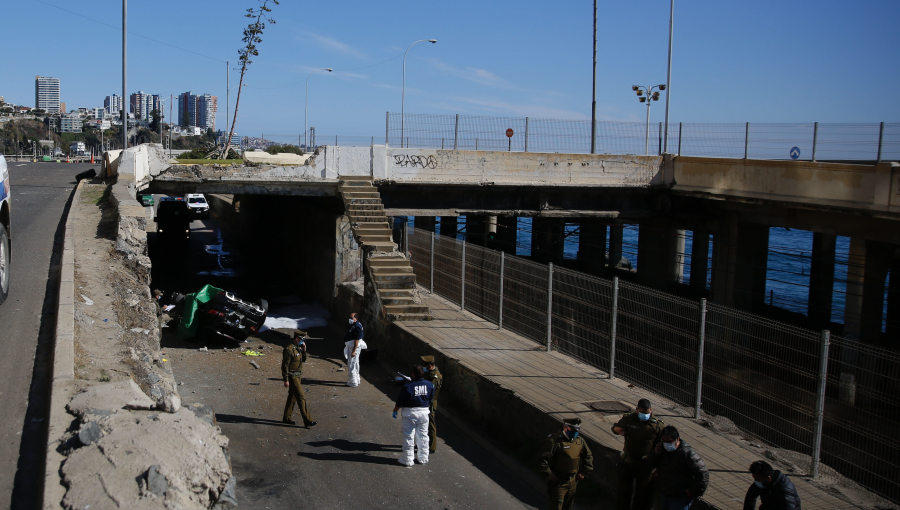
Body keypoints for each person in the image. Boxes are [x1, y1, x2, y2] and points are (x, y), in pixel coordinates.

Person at [612, 398, 665, 510]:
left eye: (647, 413)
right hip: (628, 462)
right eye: (642, 413)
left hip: (645, 465)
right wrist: (617, 429)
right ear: (637, 410)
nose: (644, 415)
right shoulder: (629, 419)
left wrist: (658, 468)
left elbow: (662, 448)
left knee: (642, 495)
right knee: (623, 493)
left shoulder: (657, 426)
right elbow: (616, 427)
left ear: (651, 410)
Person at [645, 425, 709, 510]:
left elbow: (703, 473)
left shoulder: (687, 452)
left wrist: (694, 491)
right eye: (664, 441)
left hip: (680, 497)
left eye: (669, 441)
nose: (666, 444)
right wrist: (655, 453)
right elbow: (649, 464)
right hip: (664, 493)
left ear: (677, 440)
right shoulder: (662, 449)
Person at [537, 417, 594, 510]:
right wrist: (548, 473)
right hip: (558, 480)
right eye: (573, 430)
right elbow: (541, 457)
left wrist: (584, 472)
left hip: (573, 480)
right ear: (565, 428)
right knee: (557, 505)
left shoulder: (580, 441)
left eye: (577, 430)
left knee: (568, 506)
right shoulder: (555, 441)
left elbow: (588, 456)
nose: (575, 432)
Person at [392, 365, 433, 467]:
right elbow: (430, 398)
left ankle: (407, 459)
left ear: (413, 374)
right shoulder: (429, 384)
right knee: (423, 436)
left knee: (409, 436)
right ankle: (423, 458)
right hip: (424, 413)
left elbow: (400, 400)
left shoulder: (408, 386)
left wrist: (395, 410)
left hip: (409, 414)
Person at [281, 330, 316, 428]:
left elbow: (303, 360)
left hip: (298, 375)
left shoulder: (298, 348)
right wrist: (286, 379)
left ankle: (286, 418)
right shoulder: (289, 349)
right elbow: (285, 365)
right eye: (301, 339)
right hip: (292, 376)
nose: (303, 341)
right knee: (301, 397)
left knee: (292, 397)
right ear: (297, 339)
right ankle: (308, 420)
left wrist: (304, 350)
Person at [421, 355, 443, 453]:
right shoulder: (430, 373)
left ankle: (432, 446)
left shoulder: (435, 377)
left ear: (430, 365)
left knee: (431, 424)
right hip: (427, 401)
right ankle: (426, 443)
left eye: (425, 366)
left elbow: (430, 391)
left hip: (430, 402)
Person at [343, 313, 365, 387]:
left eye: (351, 318)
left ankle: (353, 382)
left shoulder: (357, 326)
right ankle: (357, 379)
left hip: (353, 347)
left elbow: (356, 340)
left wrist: (353, 351)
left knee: (351, 363)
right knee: (355, 363)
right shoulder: (355, 325)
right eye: (349, 317)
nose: (350, 319)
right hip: (352, 346)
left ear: (356, 318)